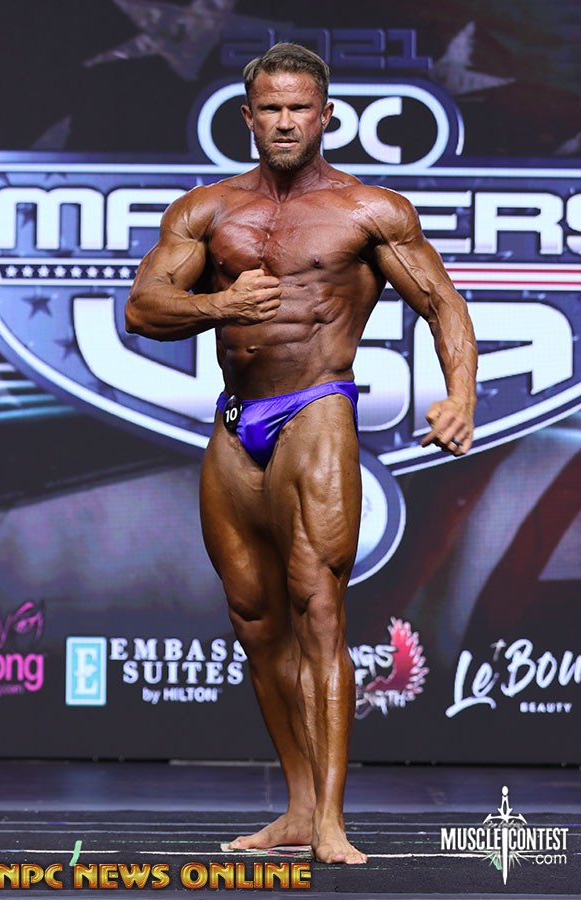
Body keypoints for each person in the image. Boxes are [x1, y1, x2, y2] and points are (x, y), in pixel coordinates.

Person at [125, 42, 477, 865]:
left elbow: (442, 303)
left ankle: (331, 822)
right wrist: (220, 305)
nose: (285, 122)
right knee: (255, 620)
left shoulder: (369, 212)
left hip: (316, 409)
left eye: (299, 109)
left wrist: (459, 395)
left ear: (326, 117)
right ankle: (296, 806)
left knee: (318, 610)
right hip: (234, 421)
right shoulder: (208, 211)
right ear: (247, 118)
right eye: (271, 109)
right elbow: (142, 308)